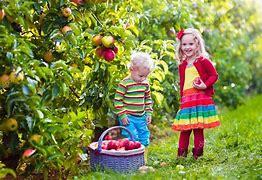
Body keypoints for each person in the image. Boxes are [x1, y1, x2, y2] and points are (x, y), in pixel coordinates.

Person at [172, 28, 220, 160]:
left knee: (198, 128)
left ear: (197, 44)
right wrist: (182, 98)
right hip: (187, 100)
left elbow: (213, 75)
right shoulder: (183, 64)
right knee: (185, 129)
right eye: (184, 44)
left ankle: (197, 155)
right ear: (180, 46)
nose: (187, 47)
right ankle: (181, 156)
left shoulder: (203, 60)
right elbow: (182, 83)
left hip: (200, 98)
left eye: (191, 44)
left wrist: (205, 85)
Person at [114, 51, 154, 147]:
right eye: (141, 76)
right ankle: (131, 159)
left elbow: (148, 99)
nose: (143, 79)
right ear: (131, 69)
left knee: (144, 136)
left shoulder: (145, 83)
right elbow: (117, 100)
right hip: (128, 117)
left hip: (141, 117)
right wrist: (122, 115)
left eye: (146, 76)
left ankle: (143, 157)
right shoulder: (124, 83)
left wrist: (148, 113)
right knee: (131, 137)